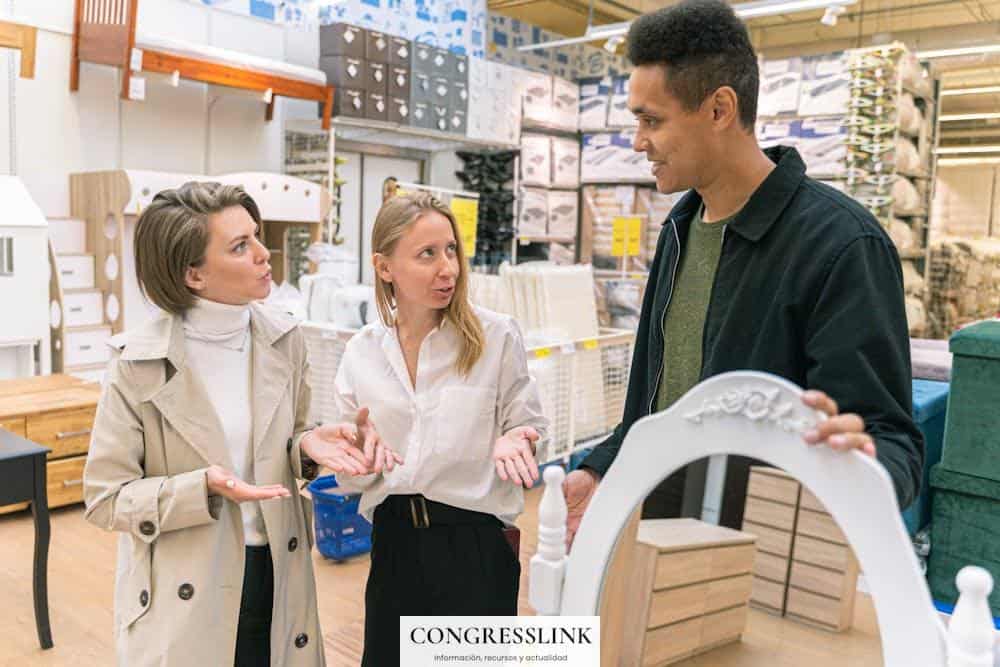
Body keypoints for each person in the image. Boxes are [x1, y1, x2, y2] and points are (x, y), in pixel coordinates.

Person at [563, 0, 924, 543]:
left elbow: (891, 441)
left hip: (765, 560)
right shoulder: (680, 230)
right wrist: (600, 465)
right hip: (655, 537)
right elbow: (656, 405)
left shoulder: (842, 244)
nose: (638, 142)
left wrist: (865, 471)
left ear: (718, 109)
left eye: (651, 120)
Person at [83, 182, 376, 667]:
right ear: (193, 274)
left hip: (278, 571)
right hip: (187, 591)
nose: (265, 254)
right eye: (241, 246)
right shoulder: (137, 365)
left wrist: (308, 447)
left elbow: (281, 448)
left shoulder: (285, 340)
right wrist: (204, 488)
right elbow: (105, 497)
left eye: (256, 237)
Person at [329, 192, 548, 667]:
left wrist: (520, 436)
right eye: (427, 254)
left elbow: (529, 424)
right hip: (393, 543)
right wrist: (359, 459)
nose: (447, 267)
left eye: (450, 250)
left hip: (474, 544)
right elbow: (349, 473)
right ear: (385, 267)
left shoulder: (494, 336)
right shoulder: (362, 354)